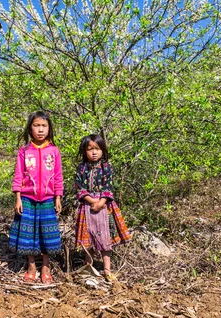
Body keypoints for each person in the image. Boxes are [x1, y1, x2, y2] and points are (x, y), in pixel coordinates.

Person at [9, 111, 63, 284]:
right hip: (27, 198)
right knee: (29, 234)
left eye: (44, 126)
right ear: (30, 128)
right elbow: (18, 175)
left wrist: (58, 197)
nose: (40, 130)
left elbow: (58, 176)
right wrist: (17, 197)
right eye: (36, 125)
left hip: (47, 198)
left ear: (49, 128)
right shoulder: (24, 151)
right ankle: (31, 266)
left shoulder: (54, 151)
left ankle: (45, 268)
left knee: (46, 234)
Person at [74, 134, 131, 281]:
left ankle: (107, 271)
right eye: (90, 149)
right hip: (87, 207)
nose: (94, 152)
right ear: (84, 151)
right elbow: (79, 188)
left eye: (97, 149)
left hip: (105, 207)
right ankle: (88, 268)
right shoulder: (81, 169)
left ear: (103, 150)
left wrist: (100, 202)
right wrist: (91, 200)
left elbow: (108, 186)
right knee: (89, 240)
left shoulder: (106, 168)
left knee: (106, 238)